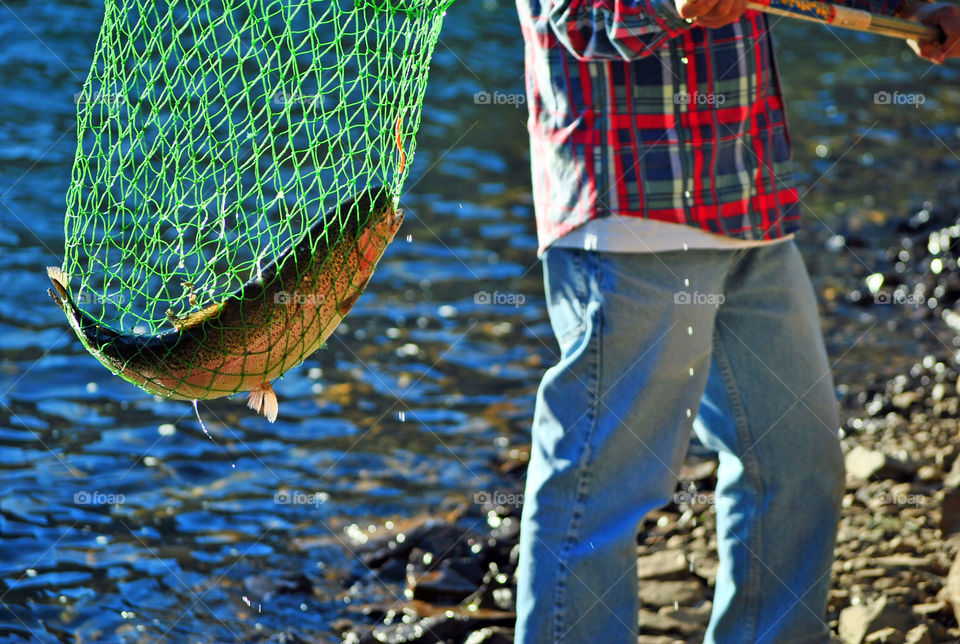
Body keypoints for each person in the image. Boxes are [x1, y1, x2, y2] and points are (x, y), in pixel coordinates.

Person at [513, 0, 960, 641]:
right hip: (628, 219)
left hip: (753, 209)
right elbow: (578, 22)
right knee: (598, 492)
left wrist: (915, 8)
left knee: (796, 466)